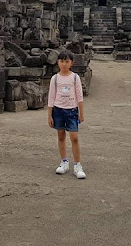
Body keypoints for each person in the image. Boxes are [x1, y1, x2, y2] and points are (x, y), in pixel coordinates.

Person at [48, 50, 86, 179]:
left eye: (66, 61)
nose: (64, 64)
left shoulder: (75, 78)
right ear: (58, 62)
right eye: (61, 61)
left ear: (71, 63)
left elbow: (79, 96)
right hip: (58, 110)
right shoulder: (55, 78)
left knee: (74, 137)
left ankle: (77, 164)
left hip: (72, 110)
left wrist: (81, 113)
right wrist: (49, 115)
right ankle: (64, 161)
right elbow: (51, 97)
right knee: (61, 136)